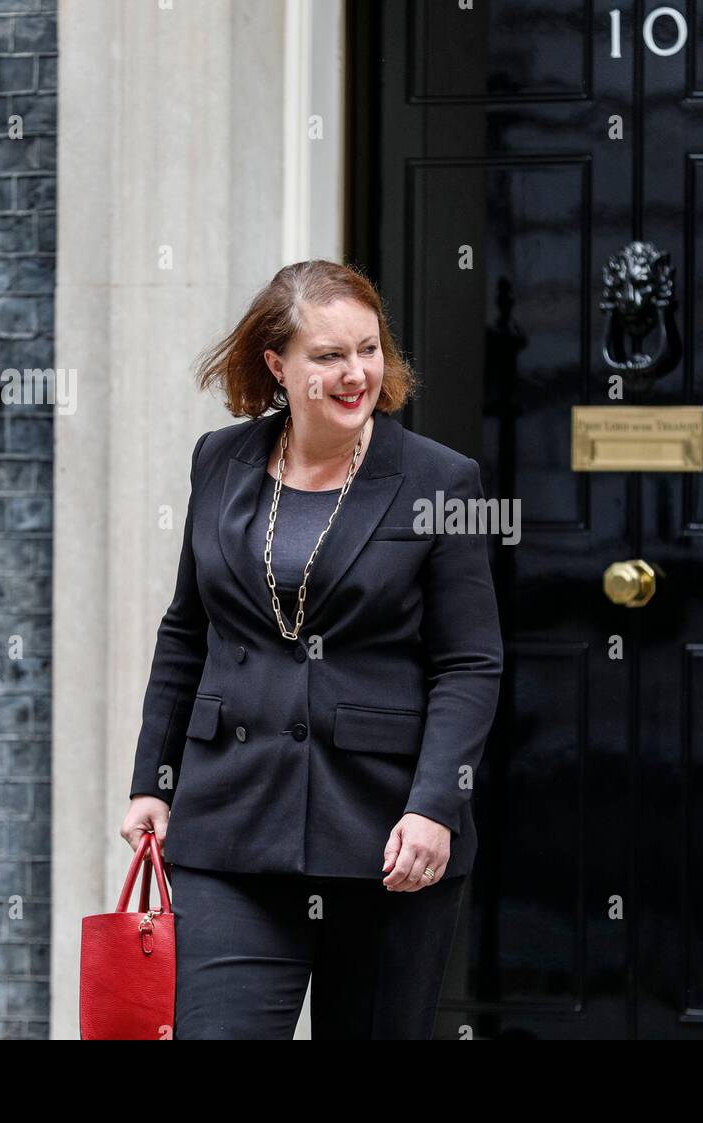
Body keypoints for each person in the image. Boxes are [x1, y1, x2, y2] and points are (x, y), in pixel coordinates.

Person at [119, 259, 504, 1039]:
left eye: (368, 349)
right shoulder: (218, 460)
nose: (355, 372)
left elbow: (468, 661)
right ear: (277, 365)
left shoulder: (442, 481)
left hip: (386, 840)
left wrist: (434, 805)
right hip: (228, 827)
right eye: (328, 355)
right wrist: (153, 780)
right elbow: (185, 629)